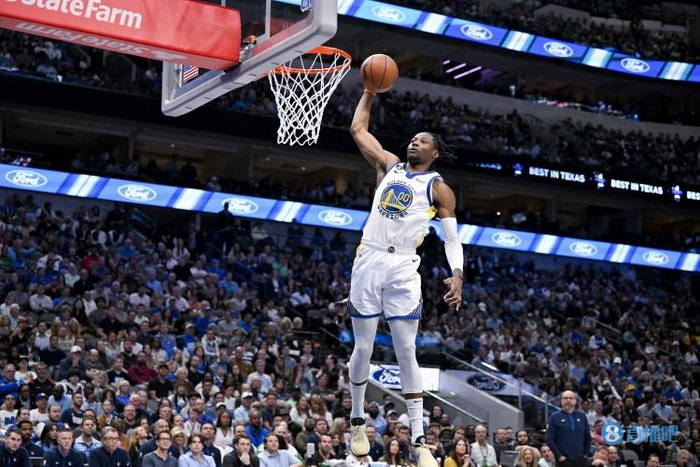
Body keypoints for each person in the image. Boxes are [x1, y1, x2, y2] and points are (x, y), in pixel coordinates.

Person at [347, 79, 463, 467]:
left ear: (435, 153)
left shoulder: (439, 188)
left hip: (403, 267)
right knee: (364, 347)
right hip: (370, 259)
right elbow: (358, 129)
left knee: (406, 351)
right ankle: (357, 419)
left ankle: (419, 438)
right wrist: (369, 91)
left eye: (423, 140)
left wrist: (457, 274)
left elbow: (452, 238)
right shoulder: (389, 165)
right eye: (413, 139)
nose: (415, 142)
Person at [546, 391, 591, 467]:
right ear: (561, 400)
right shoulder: (554, 417)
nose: (568, 400)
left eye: (571, 398)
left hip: (581, 460)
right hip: (563, 461)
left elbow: (588, 437)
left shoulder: (582, 416)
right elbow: (549, 439)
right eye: (565, 398)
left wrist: (586, 454)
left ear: (575, 401)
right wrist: (559, 456)